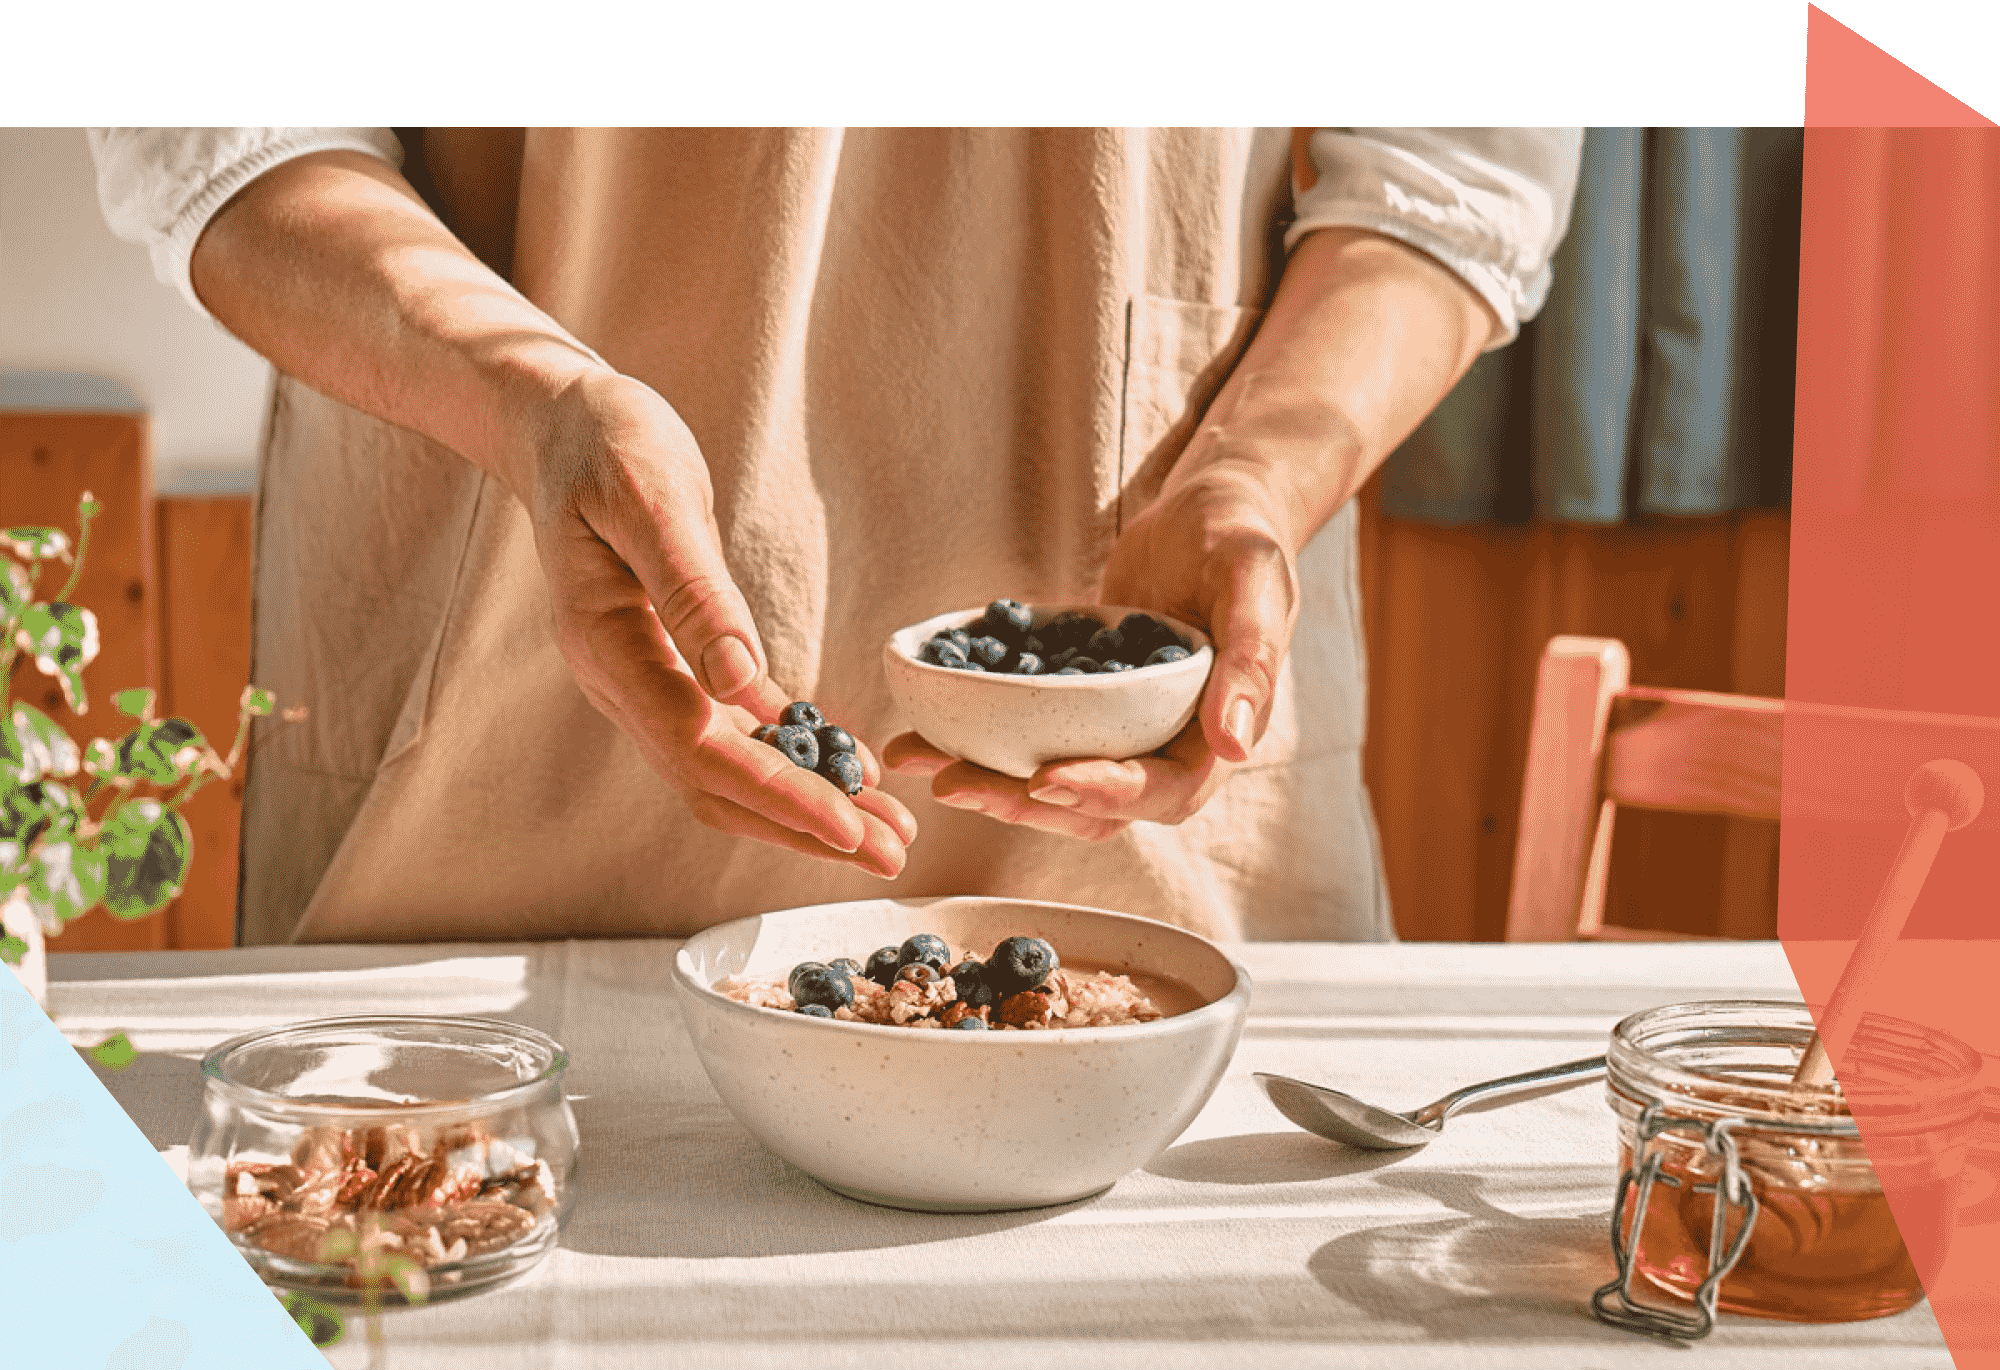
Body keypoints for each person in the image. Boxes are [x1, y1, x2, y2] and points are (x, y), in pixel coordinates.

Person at [90, 127, 1581, 946]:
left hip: (1153, 874)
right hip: (483, 804)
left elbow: (1460, 160)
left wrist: (1253, 473)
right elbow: (229, 118)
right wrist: (532, 397)